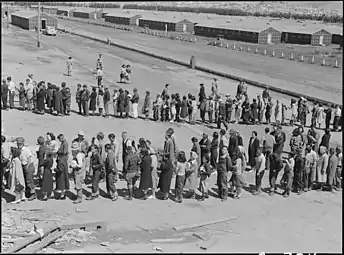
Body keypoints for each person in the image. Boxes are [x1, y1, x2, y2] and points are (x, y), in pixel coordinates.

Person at [55, 134, 69, 200]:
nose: (61, 139)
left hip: (62, 162)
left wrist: (58, 152)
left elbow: (64, 152)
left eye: (62, 138)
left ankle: (63, 194)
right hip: (62, 161)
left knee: (62, 179)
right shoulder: (63, 143)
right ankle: (62, 194)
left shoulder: (65, 144)